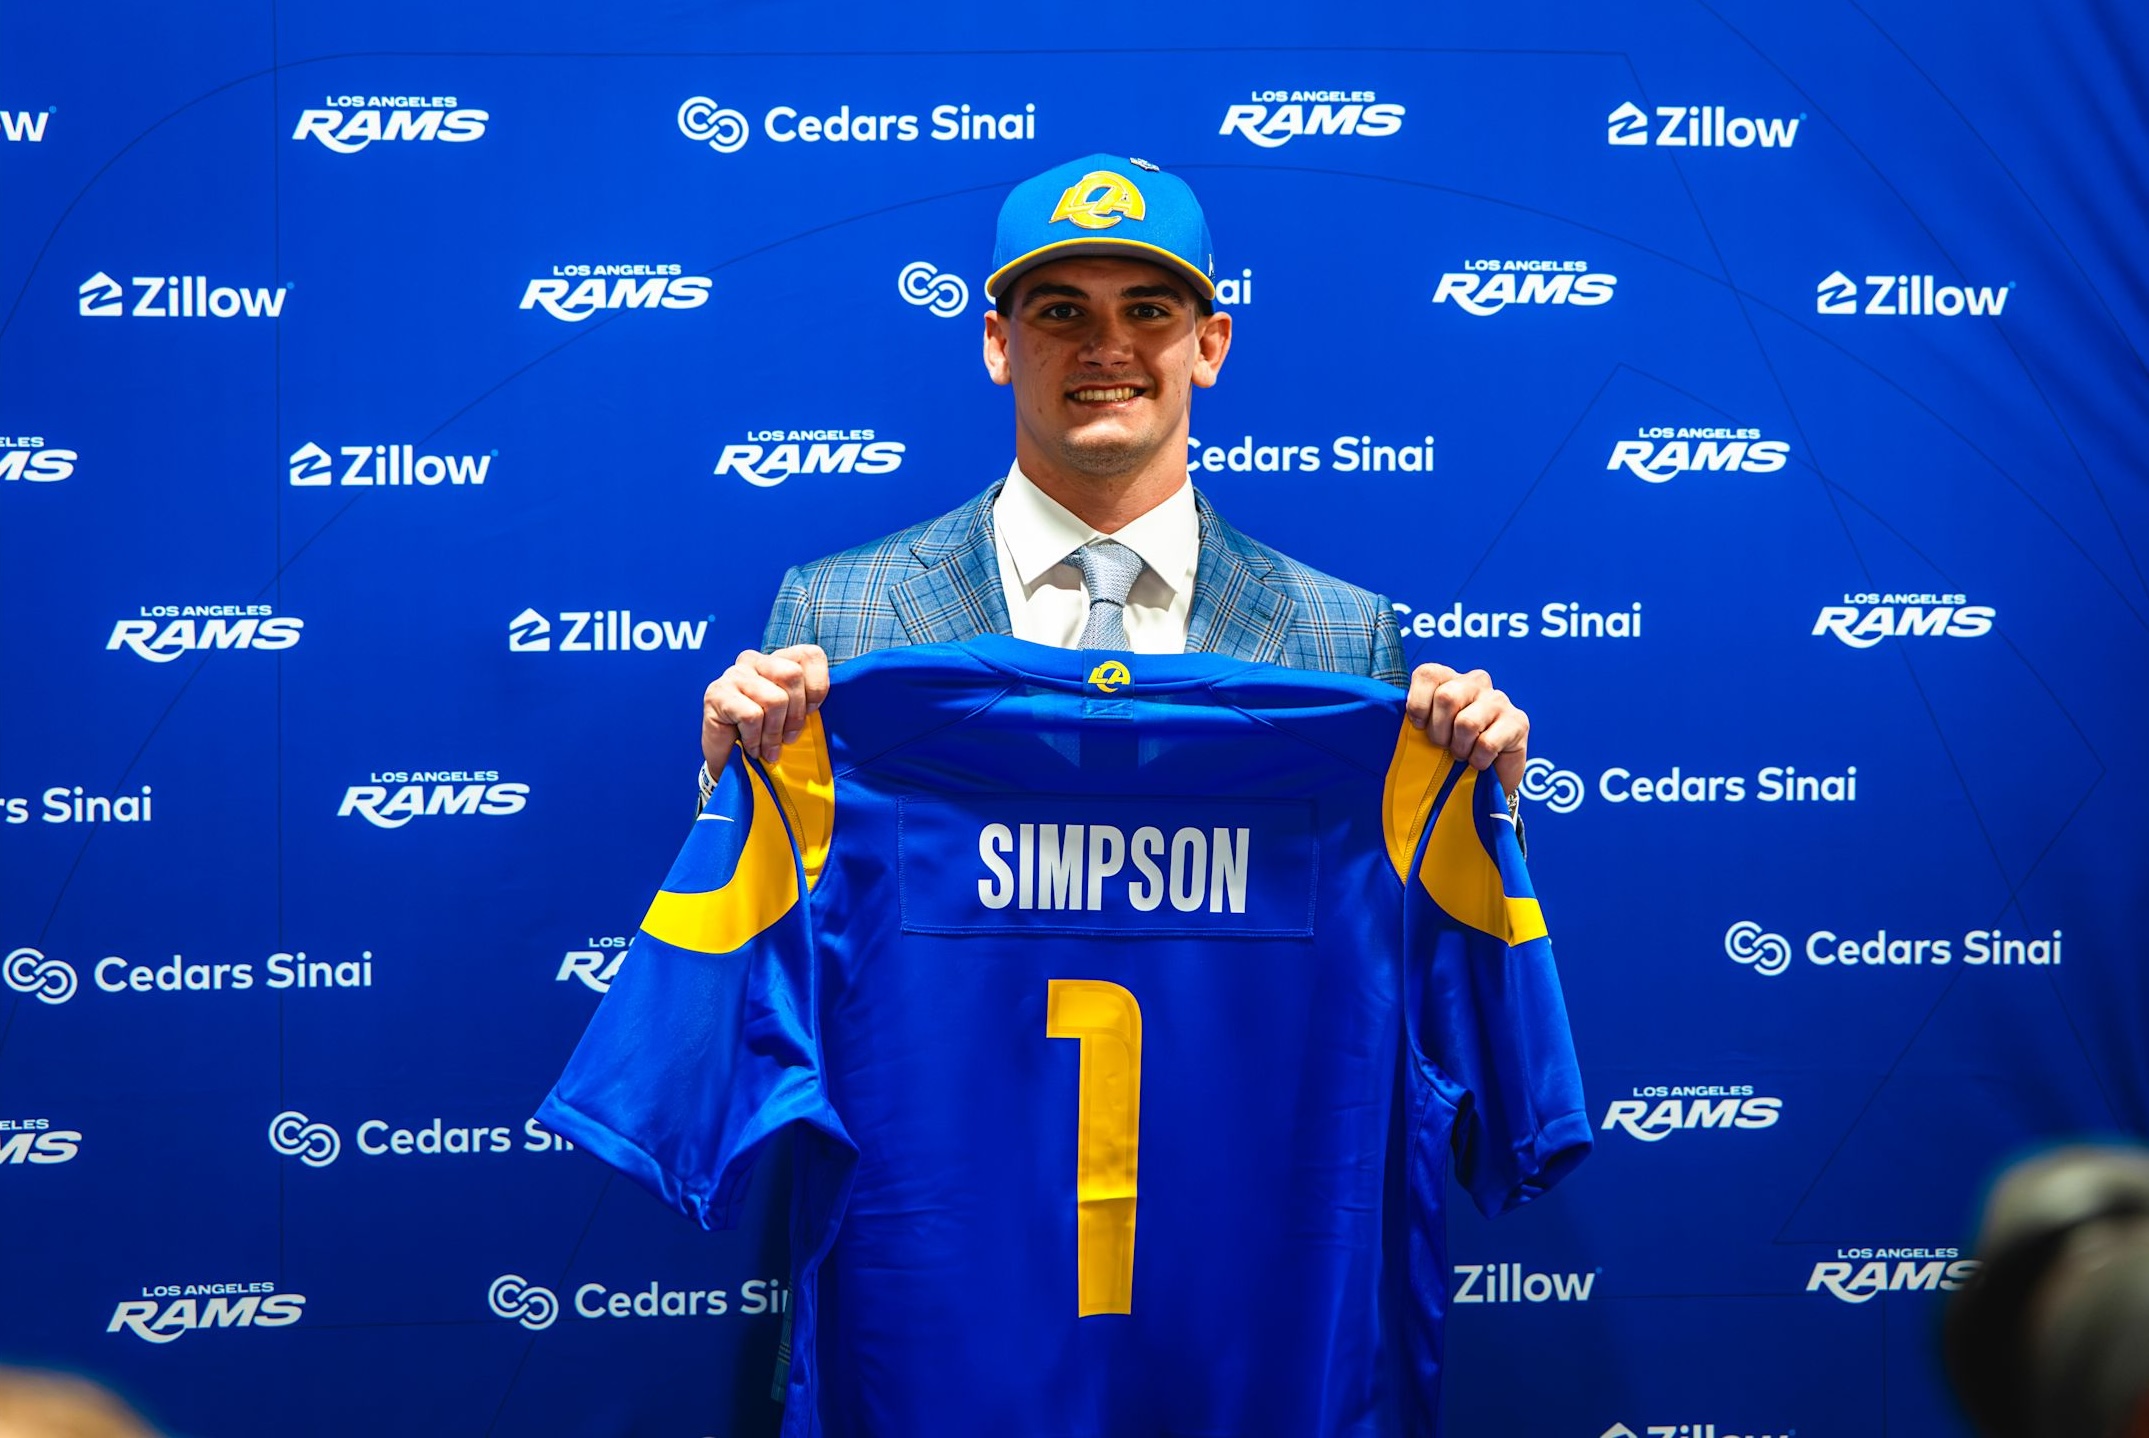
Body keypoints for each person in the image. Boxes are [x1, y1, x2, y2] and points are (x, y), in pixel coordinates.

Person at [699, 153, 1530, 804]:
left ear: (1208, 346)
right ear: (998, 343)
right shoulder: (838, 607)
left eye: (1148, 310)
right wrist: (727, 778)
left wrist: (1480, 800)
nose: (1106, 347)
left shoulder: (1344, 634)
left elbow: (1402, 929)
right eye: (1061, 311)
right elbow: (765, 926)